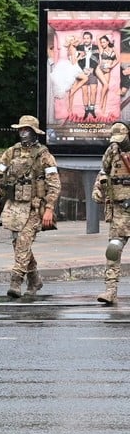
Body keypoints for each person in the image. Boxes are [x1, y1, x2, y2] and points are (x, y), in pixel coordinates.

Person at [0, 115, 61, 298]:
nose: (23, 132)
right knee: (18, 244)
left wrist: (50, 208)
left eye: (26, 129)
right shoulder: (11, 152)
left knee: (23, 242)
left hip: (35, 207)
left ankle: (16, 281)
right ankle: (35, 279)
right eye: (21, 129)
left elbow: (55, 183)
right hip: (14, 207)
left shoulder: (44, 155)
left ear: (34, 132)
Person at [92, 122, 130, 304]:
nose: (119, 143)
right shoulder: (112, 150)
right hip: (120, 209)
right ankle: (110, 291)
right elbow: (103, 171)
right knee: (113, 249)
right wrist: (98, 188)